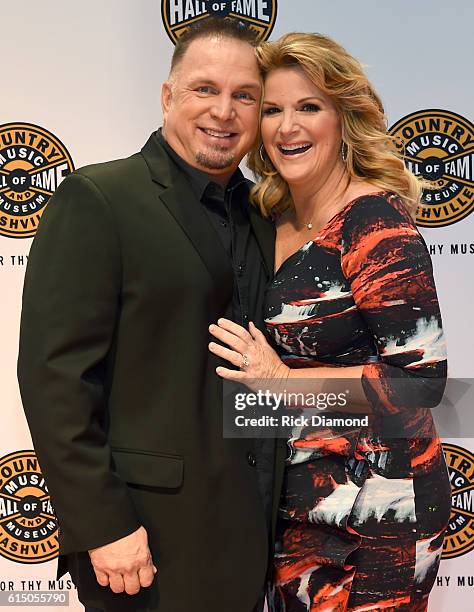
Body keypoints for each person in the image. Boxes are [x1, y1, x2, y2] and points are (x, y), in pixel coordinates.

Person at [17, 18, 276, 612]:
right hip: (144, 539)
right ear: (168, 96)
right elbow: (54, 378)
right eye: (204, 89)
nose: (224, 111)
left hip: (256, 535)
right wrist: (102, 525)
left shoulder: (268, 212)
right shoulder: (101, 199)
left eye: (244, 96)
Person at [209, 32, 451, 611]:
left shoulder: (372, 221)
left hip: (379, 502)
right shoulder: (270, 217)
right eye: (271, 110)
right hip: (300, 494)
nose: (287, 126)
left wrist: (282, 384)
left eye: (308, 107)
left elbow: (422, 382)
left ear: (344, 118)